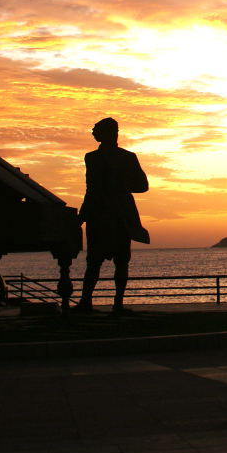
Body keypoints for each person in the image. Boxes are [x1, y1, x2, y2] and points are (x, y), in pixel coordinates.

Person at [72, 117, 149, 316]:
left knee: (96, 261)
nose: (92, 132)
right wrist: (122, 187)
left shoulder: (93, 158)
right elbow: (141, 186)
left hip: (100, 214)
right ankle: (116, 304)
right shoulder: (128, 157)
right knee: (120, 262)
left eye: (95, 129)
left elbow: (92, 189)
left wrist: (82, 215)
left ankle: (87, 302)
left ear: (107, 132)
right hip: (120, 214)